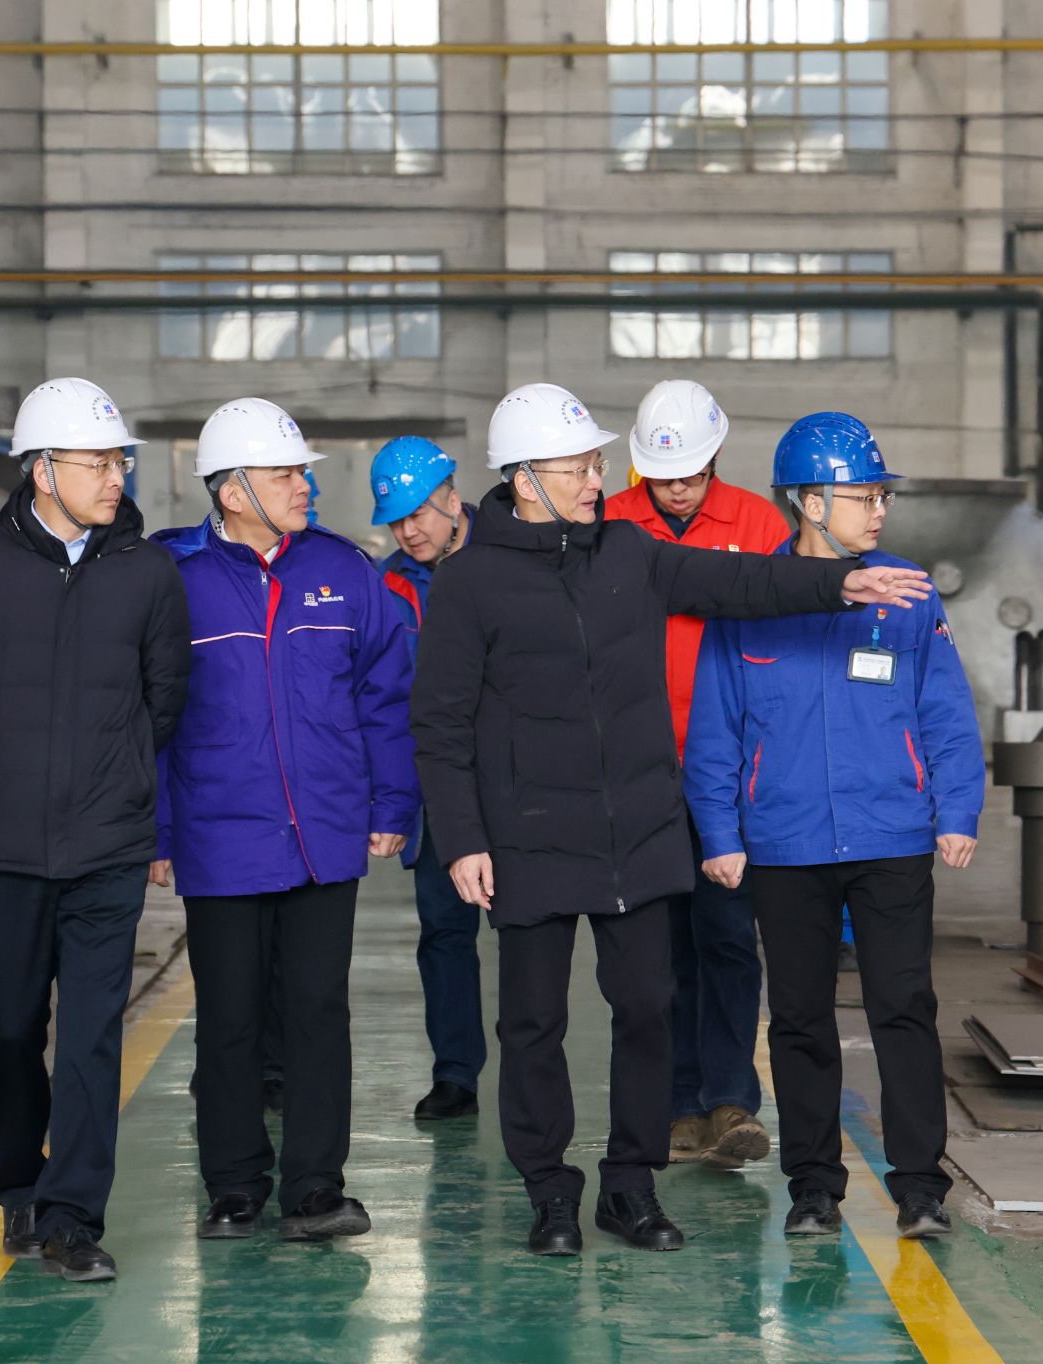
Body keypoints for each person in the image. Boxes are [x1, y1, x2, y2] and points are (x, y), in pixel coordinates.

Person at [409, 382, 931, 1258]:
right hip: (530, 833)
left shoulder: (629, 551)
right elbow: (439, 722)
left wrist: (839, 581)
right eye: (579, 468)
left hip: (637, 832)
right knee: (532, 1023)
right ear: (526, 480)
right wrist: (462, 837)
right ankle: (549, 1191)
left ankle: (630, 1183)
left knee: (648, 1009)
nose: (597, 479)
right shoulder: (470, 582)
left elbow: (740, 579)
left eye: (595, 463)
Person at [0, 377, 191, 1283]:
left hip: (107, 847)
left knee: (94, 1034)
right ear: (41, 470)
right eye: (97, 462)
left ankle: (73, 1215)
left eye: (120, 462)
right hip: (4, 850)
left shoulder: (147, 574)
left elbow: (165, 699)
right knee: (10, 1026)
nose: (116, 477)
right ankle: (20, 1183)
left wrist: (115, 777)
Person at [682, 411, 984, 1242]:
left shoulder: (908, 594)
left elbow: (946, 711)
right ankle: (813, 1186)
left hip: (892, 835)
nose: (879, 510)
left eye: (883, 495)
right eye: (863, 496)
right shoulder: (750, 601)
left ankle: (920, 1186)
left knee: (903, 1009)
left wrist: (956, 807)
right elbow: (716, 727)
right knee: (799, 1019)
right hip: (785, 841)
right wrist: (719, 831)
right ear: (809, 504)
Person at [151, 396, 420, 1244]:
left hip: (323, 833)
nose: (305, 486)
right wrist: (157, 830)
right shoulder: (174, 580)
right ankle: (234, 1187)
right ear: (232, 491)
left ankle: (315, 1187)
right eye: (285, 475)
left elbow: (387, 696)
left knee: (318, 1012)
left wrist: (392, 801)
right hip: (220, 832)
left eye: (302, 472)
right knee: (228, 1019)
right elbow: (146, 716)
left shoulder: (344, 572)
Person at [605, 378, 780, 1172]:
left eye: (691, 473)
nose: (677, 489)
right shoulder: (609, 524)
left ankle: (730, 1097)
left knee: (728, 936)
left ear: (715, 457)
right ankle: (677, 1102)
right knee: (659, 944)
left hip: (730, 770)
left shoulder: (757, 523)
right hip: (637, 769)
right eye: (663, 475)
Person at [369, 435, 484, 1122]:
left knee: (533, 932)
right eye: (395, 521)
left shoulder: (506, 557)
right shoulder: (387, 587)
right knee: (444, 929)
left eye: (417, 513)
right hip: (439, 784)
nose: (408, 531)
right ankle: (456, 1073)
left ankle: (535, 1070)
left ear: (452, 497)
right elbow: (382, 698)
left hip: (516, 775)